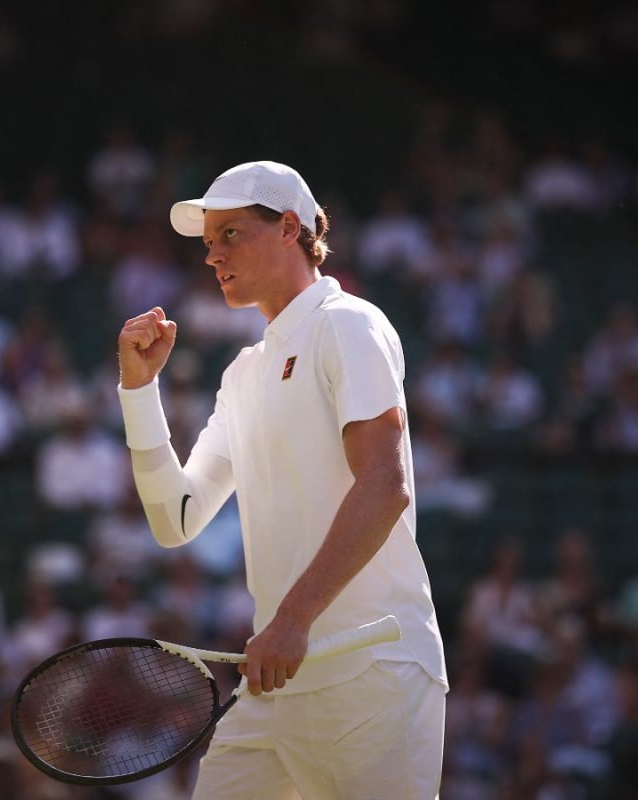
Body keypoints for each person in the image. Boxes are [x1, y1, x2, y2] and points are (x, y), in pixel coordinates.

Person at [116, 161, 447, 798]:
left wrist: (293, 618)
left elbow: (385, 485)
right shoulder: (242, 372)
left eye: (231, 234)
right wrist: (138, 389)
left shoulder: (348, 323)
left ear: (290, 229)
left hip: (370, 668)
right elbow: (175, 518)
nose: (213, 255)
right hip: (275, 678)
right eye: (208, 241)